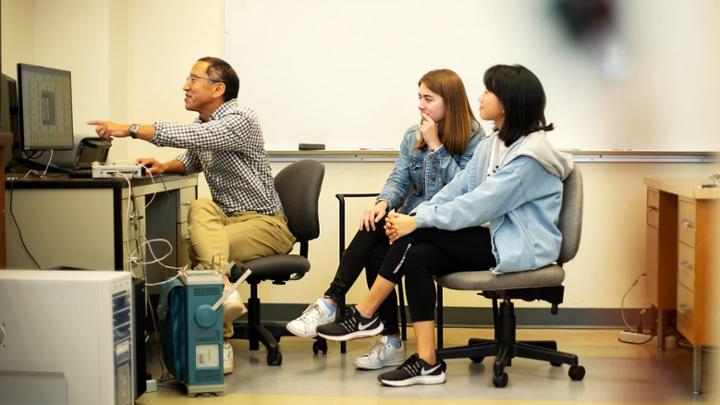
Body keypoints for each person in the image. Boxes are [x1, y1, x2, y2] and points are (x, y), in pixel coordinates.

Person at [316, 64, 573, 387]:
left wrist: (417, 220)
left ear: (506, 103)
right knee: (418, 254)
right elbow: (460, 188)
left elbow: (478, 205)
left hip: (519, 246)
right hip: (496, 236)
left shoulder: (529, 158)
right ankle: (427, 361)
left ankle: (365, 313)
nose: (479, 97)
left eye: (487, 91)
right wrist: (416, 215)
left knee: (417, 236)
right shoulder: (495, 142)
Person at [88, 56, 295, 375]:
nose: (185, 86)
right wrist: (165, 166)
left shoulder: (240, 118)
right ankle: (223, 290)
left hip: (266, 224)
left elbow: (192, 139)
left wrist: (128, 129)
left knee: (201, 250)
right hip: (227, 219)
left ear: (218, 89)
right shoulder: (205, 126)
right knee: (200, 209)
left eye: (193, 79)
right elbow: (192, 158)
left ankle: (219, 340)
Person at [286, 69, 483, 370]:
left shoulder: (473, 138)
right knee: (374, 225)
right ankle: (339, 306)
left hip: (450, 225)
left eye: (428, 99)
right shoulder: (411, 134)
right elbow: (398, 180)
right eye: (419, 97)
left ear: (450, 102)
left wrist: (436, 147)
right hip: (415, 218)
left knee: (384, 241)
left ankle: (356, 317)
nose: (420, 105)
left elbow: (464, 190)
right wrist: (382, 203)